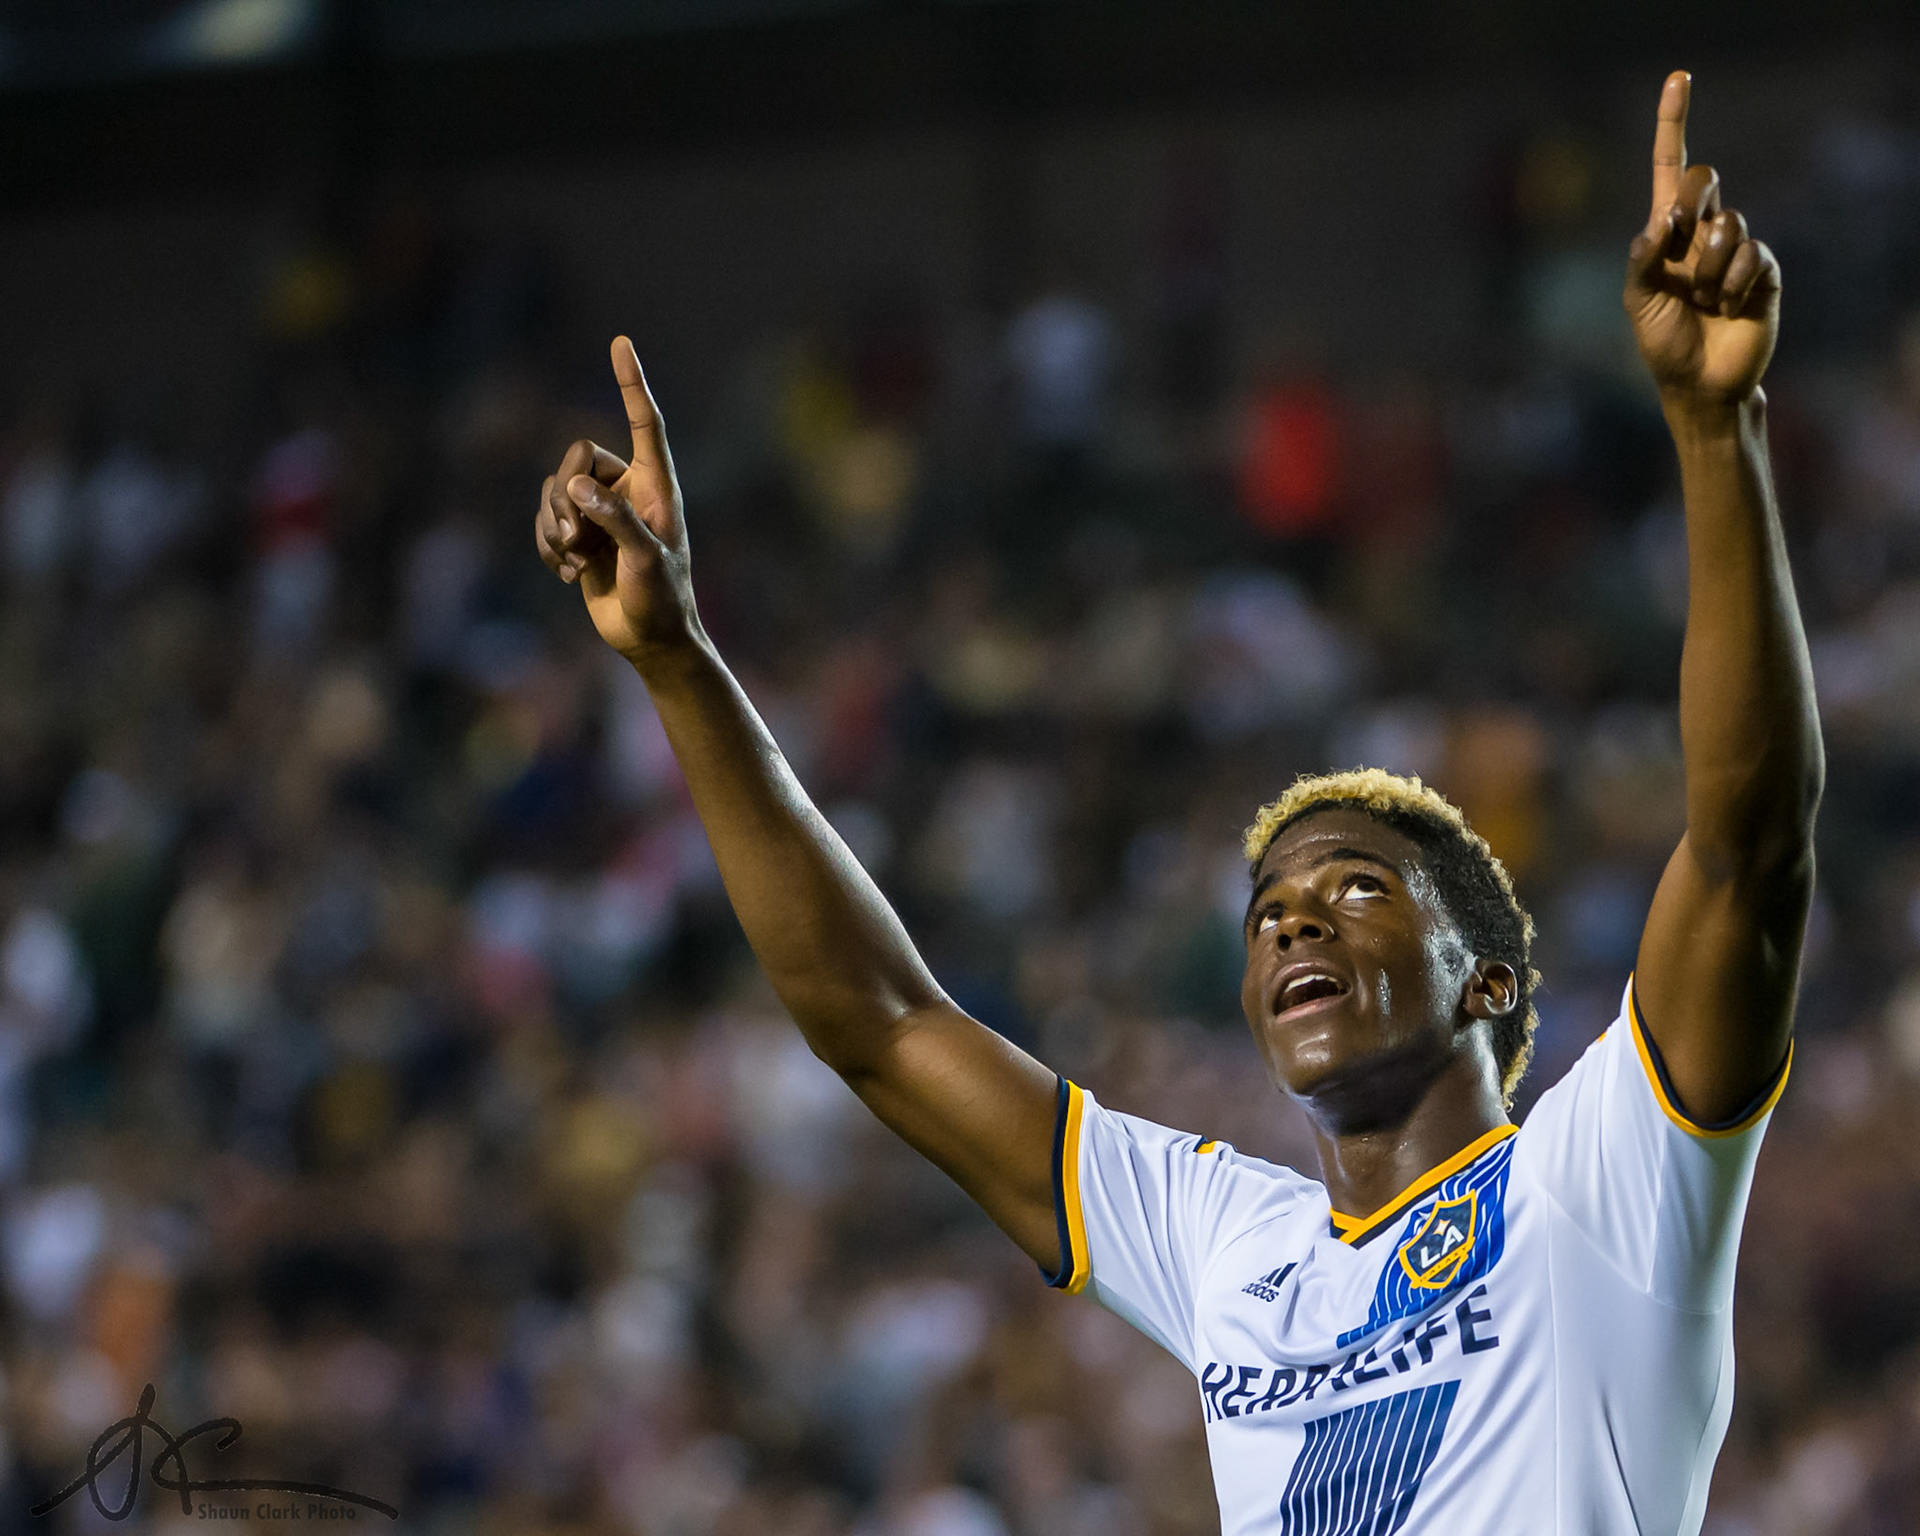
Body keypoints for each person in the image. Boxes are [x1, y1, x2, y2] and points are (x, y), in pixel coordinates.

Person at [533, 70, 1818, 1535]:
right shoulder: (1230, 1243)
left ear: (1492, 985)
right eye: (1271, 909)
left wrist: (1718, 434)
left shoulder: (1605, 1182)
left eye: (1354, 888)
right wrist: (680, 661)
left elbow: (1747, 844)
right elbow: (882, 1027)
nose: (1290, 924)